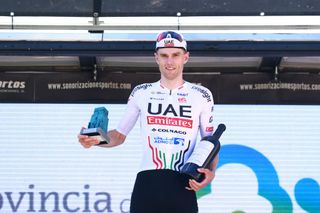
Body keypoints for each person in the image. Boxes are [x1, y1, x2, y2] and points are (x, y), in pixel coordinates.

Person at [78, 30, 218, 213]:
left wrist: (212, 172)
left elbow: (210, 142)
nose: (169, 61)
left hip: (183, 184)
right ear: (156, 58)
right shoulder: (141, 92)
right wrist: (95, 140)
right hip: (147, 184)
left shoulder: (202, 95)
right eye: (164, 55)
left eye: (175, 55)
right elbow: (119, 135)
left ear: (186, 57)